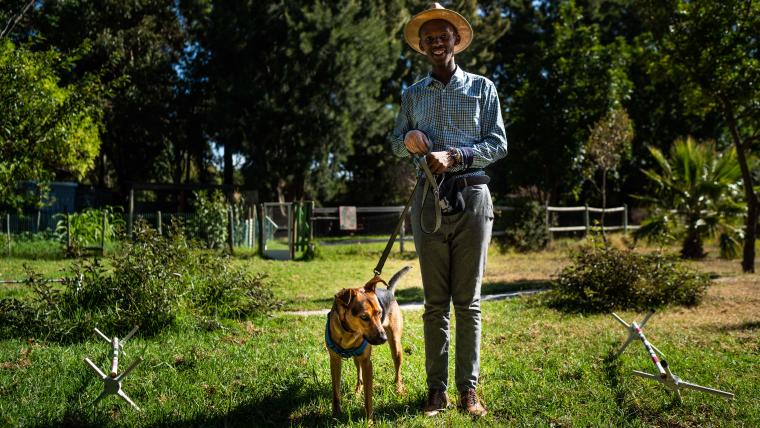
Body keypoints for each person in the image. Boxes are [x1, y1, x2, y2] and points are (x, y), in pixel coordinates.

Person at [388, 2, 508, 418]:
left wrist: (456, 155)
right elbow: (394, 139)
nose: (438, 42)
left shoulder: (482, 88)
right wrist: (408, 140)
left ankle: (468, 391)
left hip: (473, 196)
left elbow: (498, 143)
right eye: (430, 38)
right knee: (435, 302)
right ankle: (436, 392)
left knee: (468, 302)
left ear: (456, 41)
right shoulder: (412, 95)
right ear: (422, 46)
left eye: (445, 36)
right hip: (427, 200)